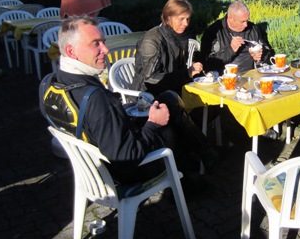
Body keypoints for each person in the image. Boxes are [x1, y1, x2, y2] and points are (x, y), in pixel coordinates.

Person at [53, 15, 214, 185]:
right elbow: (126, 157)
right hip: (125, 171)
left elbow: (100, 123)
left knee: (168, 99)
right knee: (170, 129)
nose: (106, 50)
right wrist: (153, 124)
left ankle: (203, 156)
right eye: (96, 44)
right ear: (71, 51)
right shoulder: (96, 98)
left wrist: (124, 111)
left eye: (103, 42)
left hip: (95, 155)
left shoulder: (53, 83)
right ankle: (188, 180)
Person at [132, 0, 204, 96]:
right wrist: (186, 73)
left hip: (173, 88)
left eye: (188, 19)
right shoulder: (152, 40)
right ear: (168, 18)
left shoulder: (180, 35)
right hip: (147, 96)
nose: (186, 23)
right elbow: (150, 79)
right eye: (181, 19)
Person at [201, 1, 274, 74]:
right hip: (225, 78)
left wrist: (261, 55)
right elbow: (207, 63)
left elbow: (270, 55)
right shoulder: (214, 32)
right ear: (230, 18)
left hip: (251, 75)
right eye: (242, 21)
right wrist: (231, 49)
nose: (246, 25)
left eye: (247, 20)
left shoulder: (253, 30)